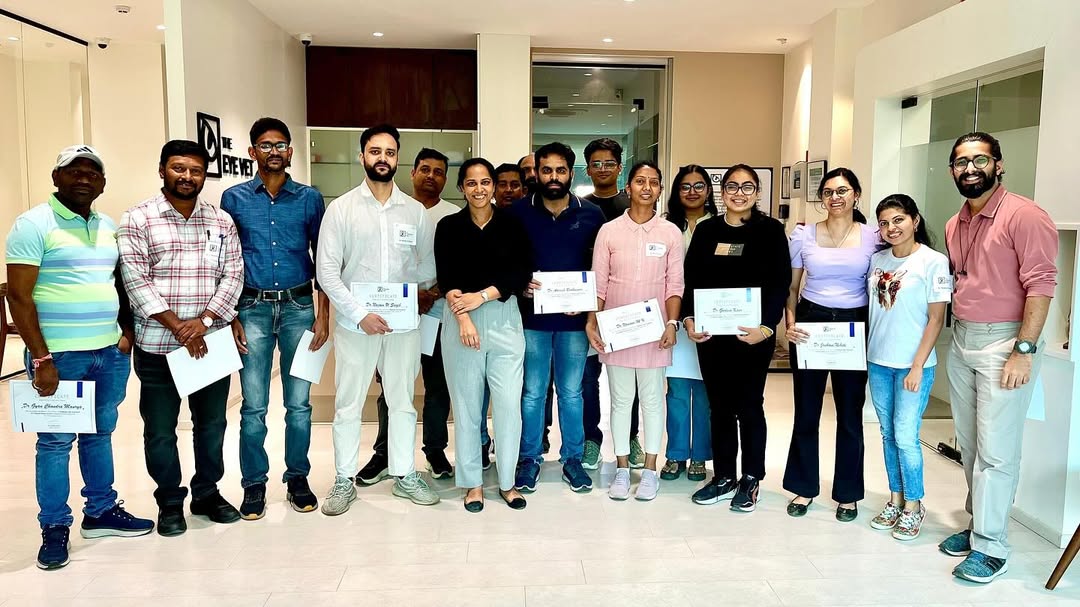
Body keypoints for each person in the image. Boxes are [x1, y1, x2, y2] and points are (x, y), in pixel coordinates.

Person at [6, 145, 154, 569]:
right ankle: (54, 527)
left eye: (93, 172)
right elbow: (18, 296)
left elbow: (119, 283)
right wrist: (41, 358)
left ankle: (101, 510)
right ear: (57, 178)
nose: (84, 178)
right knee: (55, 443)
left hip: (108, 352)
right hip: (60, 356)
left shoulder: (107, 226)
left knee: (100, 433)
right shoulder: (33, 224)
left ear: (103, 183)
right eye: (74, 171)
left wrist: (126, 333)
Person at [938, 132, 1057, 583]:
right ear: (952, 170)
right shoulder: (955, 223)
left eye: (980, 160)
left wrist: (1023, 350)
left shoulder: (1024, 215)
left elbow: (1041, 284)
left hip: (1005, 342)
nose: (970, 169)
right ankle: (978, 526)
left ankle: (992, 547)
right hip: (963, 340)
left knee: (997, 451)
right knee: (970, 446)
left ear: (998, 165)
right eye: (961, 162)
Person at [118, 140, 245, 537]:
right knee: (160, 431)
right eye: (178, 168)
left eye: (195, 170)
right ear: (162, 170)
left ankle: (207, 493)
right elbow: (135, 280)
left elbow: (234, 275)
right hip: (158, 345)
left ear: (204, 175)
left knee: (212, 425)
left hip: (209, 342)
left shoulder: (221, 220)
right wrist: (179, 326)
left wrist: (204, 321)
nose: (187, 176)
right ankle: (170, 502)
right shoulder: (138, 218)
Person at [316, 124, 439, 514]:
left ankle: (404, 474)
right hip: (356, 324)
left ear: (397, 158)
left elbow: (428, 265)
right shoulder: (341, 209)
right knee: (349, 403)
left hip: (402, 325)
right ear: (362, 156)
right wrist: (360, 313)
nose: (382, 158)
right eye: (375, 151)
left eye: (389, 152)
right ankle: (343, 480)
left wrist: (409, 295)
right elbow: (327, 272)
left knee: (402, 401)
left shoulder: (415, 212)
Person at [221, 118, 327, 520]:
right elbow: (227, 260)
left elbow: (324, 259)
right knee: (254, 405)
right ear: (253, 152)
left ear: (291, 151)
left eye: (281, 145)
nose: (274, 152)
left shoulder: (309, 198)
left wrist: (323, 315)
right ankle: (254, 483)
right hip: (252, 308)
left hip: (300, 307)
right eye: (266, 145)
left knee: (299, 404)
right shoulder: (234, 199)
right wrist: (231, 314)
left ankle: (297, 477)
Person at [682, 165, 790, 512]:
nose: (739, 193)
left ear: (757, 192)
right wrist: (689, 318)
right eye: (732, 186)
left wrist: (767, 327)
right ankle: (724, 475)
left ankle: (751, 478)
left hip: (753, 336)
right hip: (713, 335)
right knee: (720, 407)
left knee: (749, 405)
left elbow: (780, 282)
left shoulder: (770, 231)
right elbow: (691, 280)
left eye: (747, 187)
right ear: (722, 191)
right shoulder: (707, 230)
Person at [357, 148, 460, 485]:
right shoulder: (393, 210)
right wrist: (408, 297)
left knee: (437, 386)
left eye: (439, 171)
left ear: (446, 179)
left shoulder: (453, 216)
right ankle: (384, 454)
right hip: (393, 315)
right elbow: (378, 264)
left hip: (437, 314)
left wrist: (430, 295)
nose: (431, 176)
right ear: (412, 172)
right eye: (425, 169)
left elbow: (458, 268)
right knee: (391, 385)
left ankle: (435, 451)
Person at [436, 157, 532, 512]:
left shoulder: (512, 224)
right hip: (461, 320)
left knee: (508, 406)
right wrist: (464, 319)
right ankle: (473, 483)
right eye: (472, 183)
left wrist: (483, 296)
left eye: (485, 182)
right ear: (462, 188)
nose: (479, 189)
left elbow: (520, 272)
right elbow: (447, 277)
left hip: (504, 320)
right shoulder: (449, 226)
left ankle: (507, 483)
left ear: (493, 186)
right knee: (467, 408)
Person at [784, 167, 879, 522]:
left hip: (854, 324)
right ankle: (803, 486)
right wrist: (790, 322)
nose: (834, 198)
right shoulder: (803, 235)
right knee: (806, 410)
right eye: (828, 192)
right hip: (811, 321)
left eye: (842, 191)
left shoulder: (873, 236)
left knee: (850, 413)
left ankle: (848, 494)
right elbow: (792, 286)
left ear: (856, 195)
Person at [511, 142, 606, 494]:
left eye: (560, 170)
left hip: (573, 322)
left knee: (571, 393)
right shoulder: (517, 213)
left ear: (571, 173)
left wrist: (588, 302)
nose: (553, 177)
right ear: (536, 172)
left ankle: (573, 459)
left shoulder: (592, 214)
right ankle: (529, 458)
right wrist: (520, 284)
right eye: (546, 170)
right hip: (531, 320)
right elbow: (507, 262)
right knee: (533, 393)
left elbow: (601, 267)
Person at [586, 161, 684, 501]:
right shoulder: (609, 231)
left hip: (655, 331)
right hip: (617, 330)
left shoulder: (670, 233)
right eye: (640, 181)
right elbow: (599, 283)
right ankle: (622, 468)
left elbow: (675, 284)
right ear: (628, 188)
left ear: (660, 190)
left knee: (653, 400)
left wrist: (671, 323)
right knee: (621, 401)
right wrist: (592, 321)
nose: (646, 187)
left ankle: (651, 470)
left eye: (653, 182)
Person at [865, 194, 950, 540]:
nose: (891, 228)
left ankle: (914, 505)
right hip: (878, 361)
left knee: (905, 436)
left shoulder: (934, 261)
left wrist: (917, 366)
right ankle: (895, 499)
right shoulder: (877, 260)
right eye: (884, 223)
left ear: (915, 220)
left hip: (914, 365)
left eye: (898, 220)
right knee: (888, 434)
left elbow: (936, 319)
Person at [582, 138, 643, 470]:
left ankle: (630, 437)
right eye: (596, 164)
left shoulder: (633, 206)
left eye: (609, 163)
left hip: (626, 309)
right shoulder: (580, 208)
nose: (602, 169)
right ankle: (591, 440)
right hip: (589, 307)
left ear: (620, 168)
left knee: (627, 380)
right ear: (587, 169)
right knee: (587, 380)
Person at [660, 165, 717, 482]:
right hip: (675, 316)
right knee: (678, 391)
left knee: (707, 392)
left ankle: (700, 456)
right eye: (685, 186)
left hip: (712, 316)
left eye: (699, 186)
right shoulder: (665, 225)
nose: (692, 192)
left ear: (708, 190)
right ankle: (676, 453)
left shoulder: (721, 224)